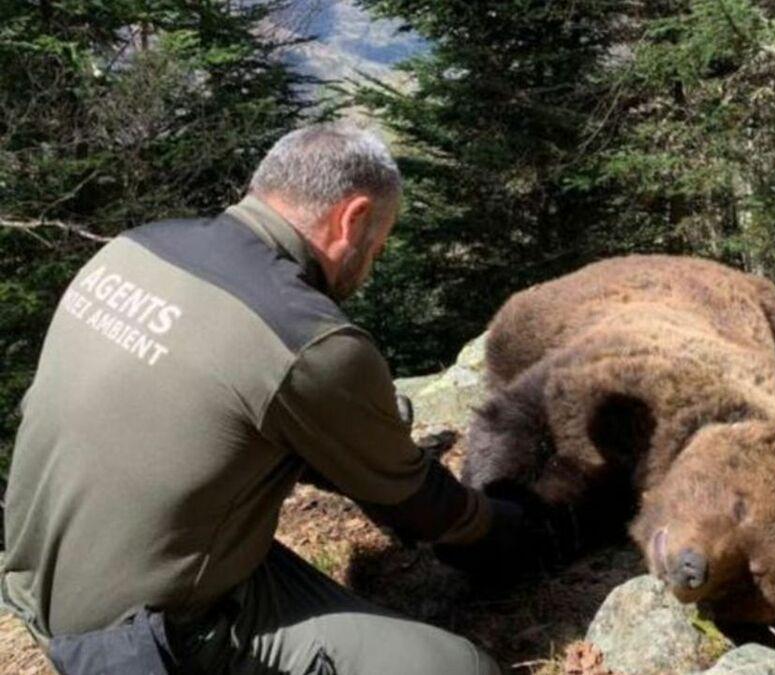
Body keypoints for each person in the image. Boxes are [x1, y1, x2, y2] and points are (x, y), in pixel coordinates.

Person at [1, 122, 540, 674]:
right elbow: (414, 502)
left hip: (36, 576)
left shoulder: (136, 246)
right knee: (459, 668)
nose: (372, 262)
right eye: (379, 245)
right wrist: (509, 528)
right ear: (352, 219)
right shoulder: (305, 338)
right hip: (135, 639)